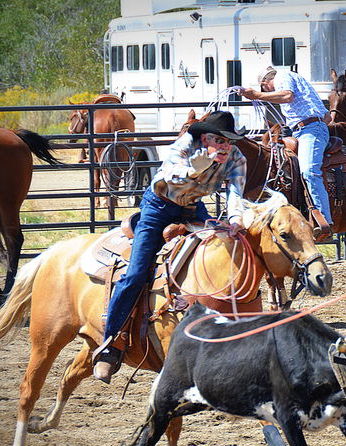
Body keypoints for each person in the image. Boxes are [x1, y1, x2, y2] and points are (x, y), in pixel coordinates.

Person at [92, 111, 247, 383]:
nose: (225, 146)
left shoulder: (236, 158)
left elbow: (235, 192)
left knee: (224, 253)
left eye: (228, 141)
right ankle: (110, 345)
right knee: (137, 273)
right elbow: (171, 174)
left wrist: (234, 219)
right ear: (204, 138)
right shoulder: (185, 146)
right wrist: (194, 169)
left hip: (192, 208)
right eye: (219, 140)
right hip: (158, 208)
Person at [239, 67, 333, 241]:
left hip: (310, 130)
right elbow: (327, 116)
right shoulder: (300, 82)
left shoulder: (283, 76)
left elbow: (286, 95)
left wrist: (256, 96)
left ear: (266, 83)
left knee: (309, 171)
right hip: (306, 129)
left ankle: (324, 220)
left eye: (264, 89)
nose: (267, 92)